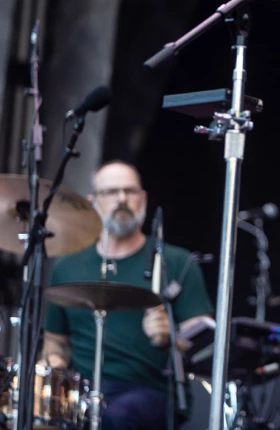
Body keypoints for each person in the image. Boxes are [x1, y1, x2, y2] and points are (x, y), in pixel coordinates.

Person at [42, 161, 213, 430]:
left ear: (143, 198)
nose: (121, 199)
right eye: (110, 192)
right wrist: (54, 361)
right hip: (82, 391)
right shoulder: (68, 265)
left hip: (150, 390)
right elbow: (55, 340)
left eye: (129, 191)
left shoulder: (176, 261)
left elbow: (206, 343)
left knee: (117, 418)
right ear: (92, 201)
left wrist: (172, 340)